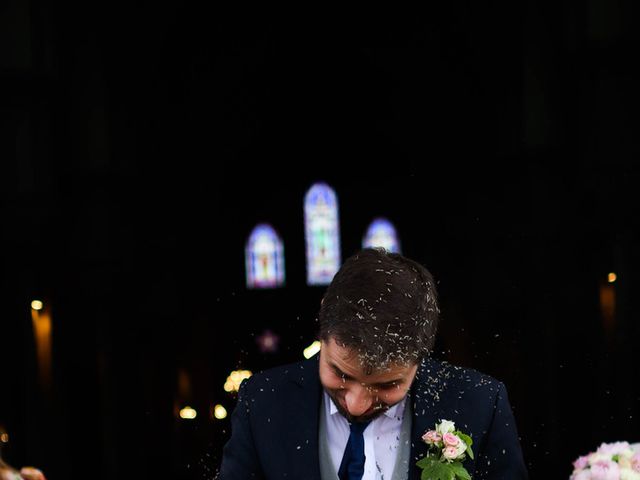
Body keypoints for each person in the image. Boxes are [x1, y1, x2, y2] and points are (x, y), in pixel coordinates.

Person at [218, 248, 528, 479]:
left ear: (420, 358)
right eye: (340, 373)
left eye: (387, 384)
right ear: (322, 330)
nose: (356, 404)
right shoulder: (262, 401)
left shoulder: (479, 404)